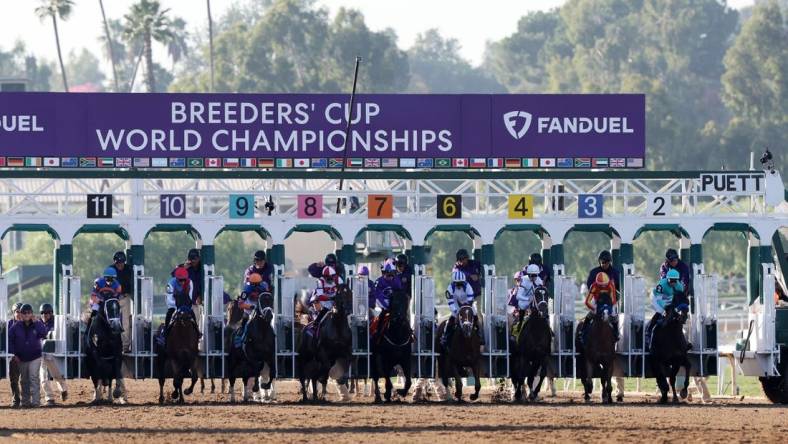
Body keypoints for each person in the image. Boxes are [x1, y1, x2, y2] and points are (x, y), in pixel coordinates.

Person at [8, 304, 48, 408]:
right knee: (24, 380)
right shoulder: (15, 327)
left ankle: (35, 402)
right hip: (20, 358)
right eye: (24, 312)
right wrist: (14, 354)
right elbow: (10, 340)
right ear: (20, 314)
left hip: (35, 356)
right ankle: (25, 402)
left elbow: (44, 333)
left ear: (32, 313)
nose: (26, 314)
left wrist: (37, 322)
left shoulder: (37, 324)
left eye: (28, 312)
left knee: (33, 378)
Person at [645, 268, 688, 351]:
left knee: (674, 313)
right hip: (657, 297)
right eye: (670, 280)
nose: (672, 283)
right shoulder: (662, 284)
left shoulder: (680, 287)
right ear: (667, 279)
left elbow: (679, 299)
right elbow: (657, 297)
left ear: (677, 280)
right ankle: (649, 331)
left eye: (674, 281)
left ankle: (683, 339)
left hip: (669, 297)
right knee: (660, 311)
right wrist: (664, 308)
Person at [441, 270, 481, 347]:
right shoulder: (450, 288)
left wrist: (467, 307)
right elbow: (450, 301)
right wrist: (456, 311)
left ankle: (480, 333)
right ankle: (445, 336)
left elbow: (470, 298)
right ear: (454, 282)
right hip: (456, 304)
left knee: (475, 314)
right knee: (452, 318)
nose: (459, 284)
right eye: (457, 283)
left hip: (467, 303)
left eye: (461, 283)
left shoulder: (468, 286)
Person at [38, 303, 67, 405]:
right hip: (41, 354)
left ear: (51, 313)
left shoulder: (56, 323)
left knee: (57, 375)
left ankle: (63, 389)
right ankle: (49, 398)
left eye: (47, 313)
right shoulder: (38, 323)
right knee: (43, 376)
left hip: (52, 354)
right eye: (42, 313)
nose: (44, 315)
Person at [579, 272, 620, 343]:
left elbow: (613, 299)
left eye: (605, 285)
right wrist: (594, 309)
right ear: (597, 283)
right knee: (590, 315)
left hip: (608, 302)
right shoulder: (594, 286)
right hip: (596, 302)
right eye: (601, 286)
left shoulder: (610, 285)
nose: (603, 287)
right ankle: (583, 332)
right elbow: (587, 301)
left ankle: (616, 333)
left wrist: (609, 308)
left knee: (614, 315)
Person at [370, 262, 404, 343]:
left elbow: (400, 295)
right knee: (379, 317)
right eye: (388, 275)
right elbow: (378, 297)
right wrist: (387, 307)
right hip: (382, 305)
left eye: (392, 274)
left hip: (394, 305)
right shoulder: (379, 282)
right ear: (383, 273)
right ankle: (376, 333)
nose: (390, 277)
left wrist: (397, 306)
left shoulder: (397, 281)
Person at [164, 266, 200, 339]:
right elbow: (169, 300)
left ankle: (197, 332)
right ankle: (166, 332)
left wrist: (184, 306)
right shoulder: (170, 284)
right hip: (174, 305)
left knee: (192, 314)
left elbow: (189, 298)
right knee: (169, 313)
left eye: (184, 280)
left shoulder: (190, 282)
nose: (182, 282)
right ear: (176, 278)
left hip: (185, 305)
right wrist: (178, 307)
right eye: (180, 280)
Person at [110, 251, 134, 353]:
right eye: (118, 263)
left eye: (121, 262)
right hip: (113, 298)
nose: (120, 265)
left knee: (125, 322)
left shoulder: (129, 269)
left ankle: (125, 346)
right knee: (111, 321)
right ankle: (111, 345)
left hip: (125, 297)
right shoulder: (110, 269)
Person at [87, 267, 123, 332]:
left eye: (112, 279)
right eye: (108, 279)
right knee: (94, 312)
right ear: (104, 277)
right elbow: (93, 296)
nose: (109, 281)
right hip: (98, 301)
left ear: (115, 278)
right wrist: (99, 302)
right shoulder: (98, 283)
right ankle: (88, 331)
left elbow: (117, 297)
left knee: (118, 310)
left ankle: (119, 325)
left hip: (109, 302)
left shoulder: (118, 285)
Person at [8, 302, 23, 407]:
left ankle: (28, 399)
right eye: (17, 312)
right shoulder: (9, 324)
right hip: (14, 356)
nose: (19, 314)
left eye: (21, 312)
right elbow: (8, 341)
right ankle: (16, 399)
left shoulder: (28, 323)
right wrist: (14, 355)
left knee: (28, 380)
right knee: (14, 379)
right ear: (13, 313)